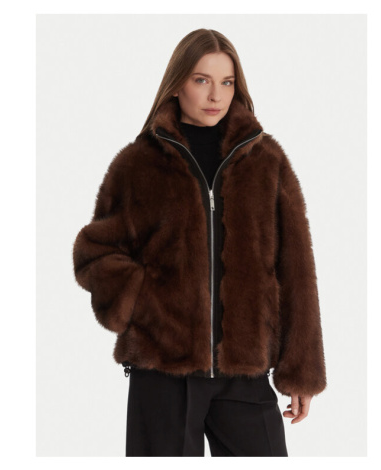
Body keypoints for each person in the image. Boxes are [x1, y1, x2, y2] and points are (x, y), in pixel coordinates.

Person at [72, 28, 327, 457]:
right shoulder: (140, 163)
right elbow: (94, 253)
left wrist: (301, 370)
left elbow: (296, 268)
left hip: (245, 375)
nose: (216, 95)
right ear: (177, 85)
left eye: (227, 82)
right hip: (162, 374)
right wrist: (145, 303)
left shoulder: (266, 161)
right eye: (201, 80)